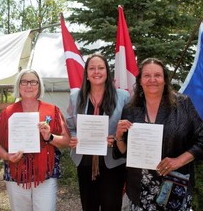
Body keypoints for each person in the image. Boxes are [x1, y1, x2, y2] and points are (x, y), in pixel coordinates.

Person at [113, 58, 203, 210]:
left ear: (165, 80)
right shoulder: (131, 109)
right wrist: (119, 137)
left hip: (174, 186)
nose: (152, 80)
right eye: (147, 75)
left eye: (157, 75)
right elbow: (125, 152)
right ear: (140, 81)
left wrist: (179, 160)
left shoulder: (183, 104)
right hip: (139, 190)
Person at [0, 69, 70, 211]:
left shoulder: (52, 111)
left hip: (45, 174)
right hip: (16, 172)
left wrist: (50, 137)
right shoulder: (7, 113)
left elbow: (66, 141)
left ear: (39, 86)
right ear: (18, 85)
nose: (29, 85)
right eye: (24, 82)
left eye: (33, 82)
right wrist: (6, 156)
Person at [66, 54, 130, 211]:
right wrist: (73, 137)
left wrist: (116, 138)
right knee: (89, 206)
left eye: (101, 68)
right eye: (92, 68)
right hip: (85, 161)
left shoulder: (122, 96)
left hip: (112, 162)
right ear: (86, 73)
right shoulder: (75, 96)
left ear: (107, 72)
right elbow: (70, 125)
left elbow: (128, 128)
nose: (96, 72)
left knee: (112, 206)